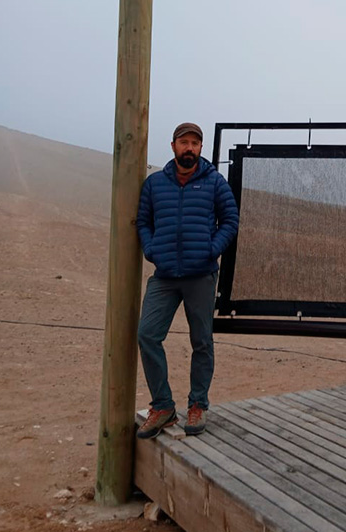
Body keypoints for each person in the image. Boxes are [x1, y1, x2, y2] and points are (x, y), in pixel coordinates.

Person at [135, 122, 239, 439]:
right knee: (147, 335)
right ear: (173, 146)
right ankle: (163, 406)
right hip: (165, 276)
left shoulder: (214, 182)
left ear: (200, 148)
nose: (189, 148)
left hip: (201, 275)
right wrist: (151, 249)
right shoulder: (155, 184)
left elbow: (230, 220)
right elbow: (143, 221)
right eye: (184, 142)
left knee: (202, 342)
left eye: (195, 143)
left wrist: (212, 249)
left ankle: (198, 405)